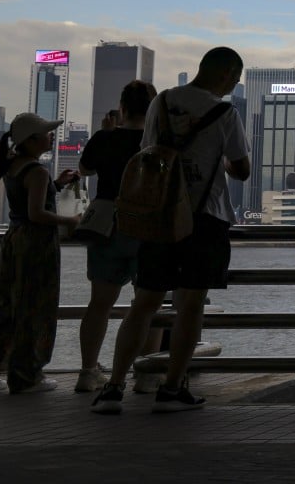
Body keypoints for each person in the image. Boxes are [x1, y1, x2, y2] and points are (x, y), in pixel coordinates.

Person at [91, 47, 250, 414]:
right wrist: (217, 159)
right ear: (226, 74)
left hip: (157, 217)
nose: (234, 86)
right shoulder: (226, 113)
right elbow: (240, 170)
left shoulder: (160, 102)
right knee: (190, 306)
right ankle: (172, 389)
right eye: (236, 79)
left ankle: (113, 387)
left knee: (143, 304)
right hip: (204, 219)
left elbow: (148, 152)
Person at [0, 113, 81, 394]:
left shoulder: (15, 166)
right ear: (32, 140)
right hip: (36, 245)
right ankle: (27, 375)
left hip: (14, 240)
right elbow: (37, 213)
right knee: (37, 307)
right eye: (46, 132)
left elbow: (28, 203)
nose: (51, 135)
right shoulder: (37, 171)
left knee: (8, 305)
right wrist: (70, 221)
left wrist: (56, 185)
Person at [75, 80, 163, 393]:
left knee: (99, 304)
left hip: (107, 226)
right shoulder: (159, 142)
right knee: (148, 304)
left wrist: (106, 132)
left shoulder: (105, 138)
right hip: (148, 226)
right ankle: (146, 373)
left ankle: (87, 372)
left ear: (122, 108)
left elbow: (84, 170)